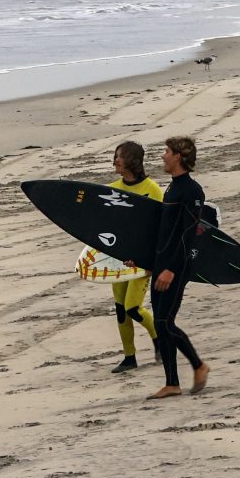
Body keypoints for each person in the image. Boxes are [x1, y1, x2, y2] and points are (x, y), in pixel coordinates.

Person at [146, 135, 210, 400]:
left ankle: (198, 366)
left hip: (177, 265)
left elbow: (188, 234)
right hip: (161, 264)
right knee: (162, 325)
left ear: (179, 157)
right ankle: (172, 383)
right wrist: (149, 262)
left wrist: (171, 268)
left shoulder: (192, 192)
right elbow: (164, 233)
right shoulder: (172, 189)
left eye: (166, 151)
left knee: (165, 322)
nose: (163, 156)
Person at [104, 141, 164, 374]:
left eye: (120, 156)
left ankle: (158, 339)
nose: (115, 161)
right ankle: (129, 357)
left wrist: (151, 262)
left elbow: (160, 229)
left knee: (132, 307)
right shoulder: (111, 190)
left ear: (133, 160)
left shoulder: (152, 190)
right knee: (121, 309)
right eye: (115, 156)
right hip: (119, 259)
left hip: (142, 260)